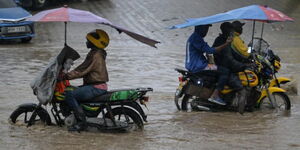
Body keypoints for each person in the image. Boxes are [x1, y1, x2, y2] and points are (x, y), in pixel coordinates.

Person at [64, 29, 110, 131]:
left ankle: (81, 122)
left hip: (95, 87)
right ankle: (81, 116)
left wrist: (66, 76)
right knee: (71, 90)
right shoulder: (96, 53)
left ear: (93, 42)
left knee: (70, 94)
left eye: (88, 40)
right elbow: (82, 68)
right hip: (97, 86)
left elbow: (82, 70)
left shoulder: (95, 55)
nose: (86, 42)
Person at [185, 24, 232, 106]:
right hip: (199, 67)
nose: (206, 31)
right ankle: (215, 95)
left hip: (191, 65)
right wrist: (226, 44)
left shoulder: (193, 37)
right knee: (225, 71)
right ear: (200, 28)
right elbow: (210, 50)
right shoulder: (197, 38)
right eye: (206, 28)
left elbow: (205, 50)